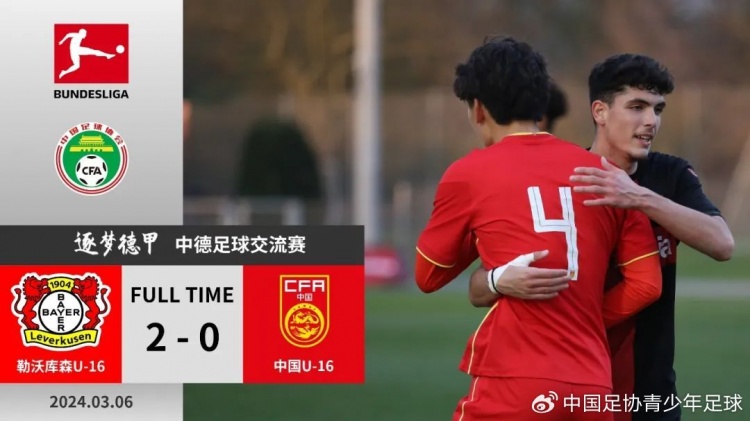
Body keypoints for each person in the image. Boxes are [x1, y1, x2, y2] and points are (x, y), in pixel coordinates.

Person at [469, 53, 735, 421]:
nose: (651, 121)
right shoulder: (563, 179)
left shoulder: (669, 176)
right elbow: (480, 288)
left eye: (657, 109)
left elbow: (722, 244)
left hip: (648, 395)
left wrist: (638, 197)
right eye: (637, 107)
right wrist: (497, 280)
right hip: (571, 386)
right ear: (600, 111)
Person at [414, 37, 663, 420]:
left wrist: (493, 274)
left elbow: (429, 275)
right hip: (592, 385)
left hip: (514, 381)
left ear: (478, 109)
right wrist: (582, 316)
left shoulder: (469, 174)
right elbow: (647, 284)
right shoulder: (609, 176)